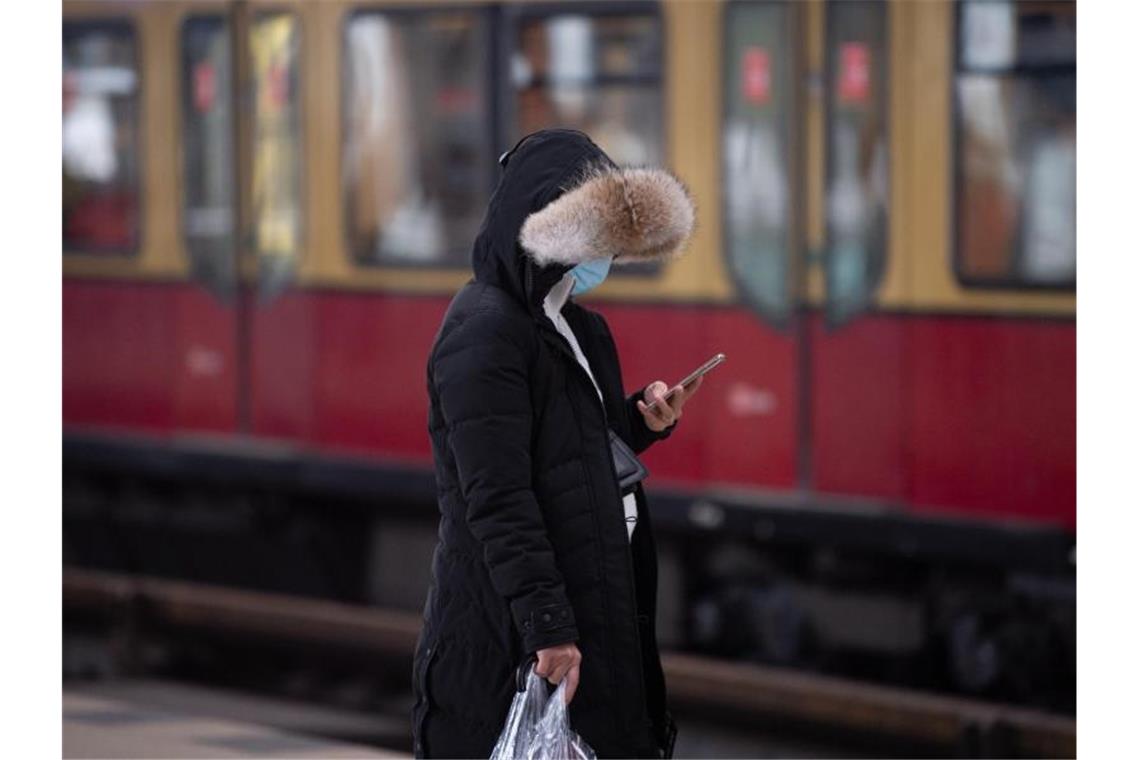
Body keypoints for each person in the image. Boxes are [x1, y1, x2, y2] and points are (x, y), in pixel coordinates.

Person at [413, 129, 700, 758]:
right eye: (592, 240)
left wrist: (640, 422)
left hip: (590, 604)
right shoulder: (483, 334)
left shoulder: (574, 326)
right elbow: (499, 498)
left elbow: (567, 451)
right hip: (511, 638)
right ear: (545, 232)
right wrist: (549, 628)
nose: (600, 260)